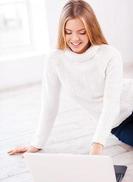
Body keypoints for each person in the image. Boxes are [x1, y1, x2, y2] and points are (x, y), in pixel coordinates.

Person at [8, 0, 133, 156]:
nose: (75, 38)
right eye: (68, 32)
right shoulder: (55, 59)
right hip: (121, 124)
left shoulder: (109, 54)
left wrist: (97, 143)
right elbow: (49, 105)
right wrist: (36, 144)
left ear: (92, 29)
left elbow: (111, 104)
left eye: (82, 32)